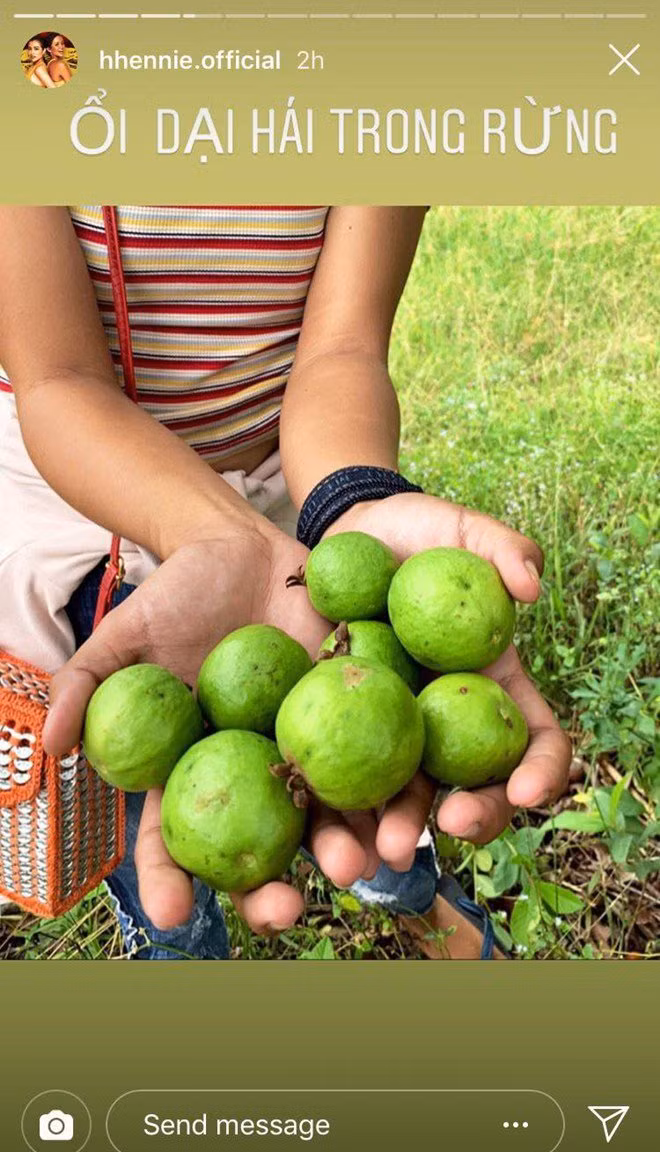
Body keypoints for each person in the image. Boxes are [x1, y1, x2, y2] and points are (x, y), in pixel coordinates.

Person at [0, 205, 571, 960]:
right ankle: (174, 945)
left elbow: (342, 349)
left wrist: (351, 501)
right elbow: (58, 378)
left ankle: (409, 891)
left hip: (284, 512)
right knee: (146, 813)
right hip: (79, 507)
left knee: (374, 787)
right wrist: (213, 533)